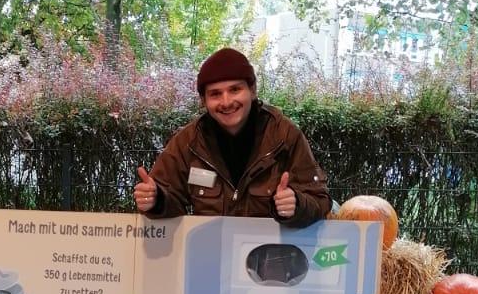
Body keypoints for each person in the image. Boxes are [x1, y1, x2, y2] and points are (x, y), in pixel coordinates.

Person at [133, 47, 330, 224]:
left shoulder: (284, 135)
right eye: (215, 94)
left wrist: (296, 205)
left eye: (235, 89)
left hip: (267, 256)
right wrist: (156, 200)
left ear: (252, 91)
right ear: (204, 101)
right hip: (211, 254)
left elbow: (320, 200)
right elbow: (170, 197)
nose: (226, 102)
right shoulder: (188, 142)